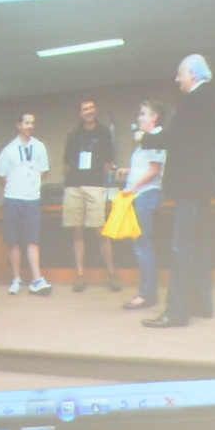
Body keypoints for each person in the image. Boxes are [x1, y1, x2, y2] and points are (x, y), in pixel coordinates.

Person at [147, 55, 215, 327]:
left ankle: (176, 312)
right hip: (202, 186)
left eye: (180, 73)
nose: (177, 79)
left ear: (191, 74)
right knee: (200, 246)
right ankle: (202, 304)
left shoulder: (194, 100)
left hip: (189, 186)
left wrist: (146, 137)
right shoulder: (209, 98)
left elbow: (175, 136)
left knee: (181, 247)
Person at [59, 98, 119, 292]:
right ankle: (80, 275)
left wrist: (101, 178)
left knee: (100, 231)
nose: (88, 111)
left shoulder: (104, 133)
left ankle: (111, 275)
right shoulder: (74, 134)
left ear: (96, 109)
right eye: (85, 109)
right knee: (77, 231)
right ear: (80, 113)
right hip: (74, 187)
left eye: (91, 108)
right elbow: (66, 162)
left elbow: (109, 160)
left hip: (95, 186)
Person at [0, 111, 53, 295]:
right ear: (19, 125)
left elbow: (44, 172)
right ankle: (16, 279)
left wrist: (31, 183)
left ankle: (37, 279)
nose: (30, 126)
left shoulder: (40, 147)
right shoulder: (8, 150)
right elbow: (1, 177)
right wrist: (17, 186)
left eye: (32, 123)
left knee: (32, 240)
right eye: (26, 123)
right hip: (12, 198)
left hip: (32, 199)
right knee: (13, 242)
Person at [118, 103, 166, 308]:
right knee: (141, 246)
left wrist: (132, 188)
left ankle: (147, 295)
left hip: (146, 196)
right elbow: (145, 167)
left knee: (143, 246)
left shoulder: (156, 137)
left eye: (143, 114)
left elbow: (155, 170)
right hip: (139, 195)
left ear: (155, 116)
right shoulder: (145, 141)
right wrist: (127, 171)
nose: (139, 118)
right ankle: (147, 292)